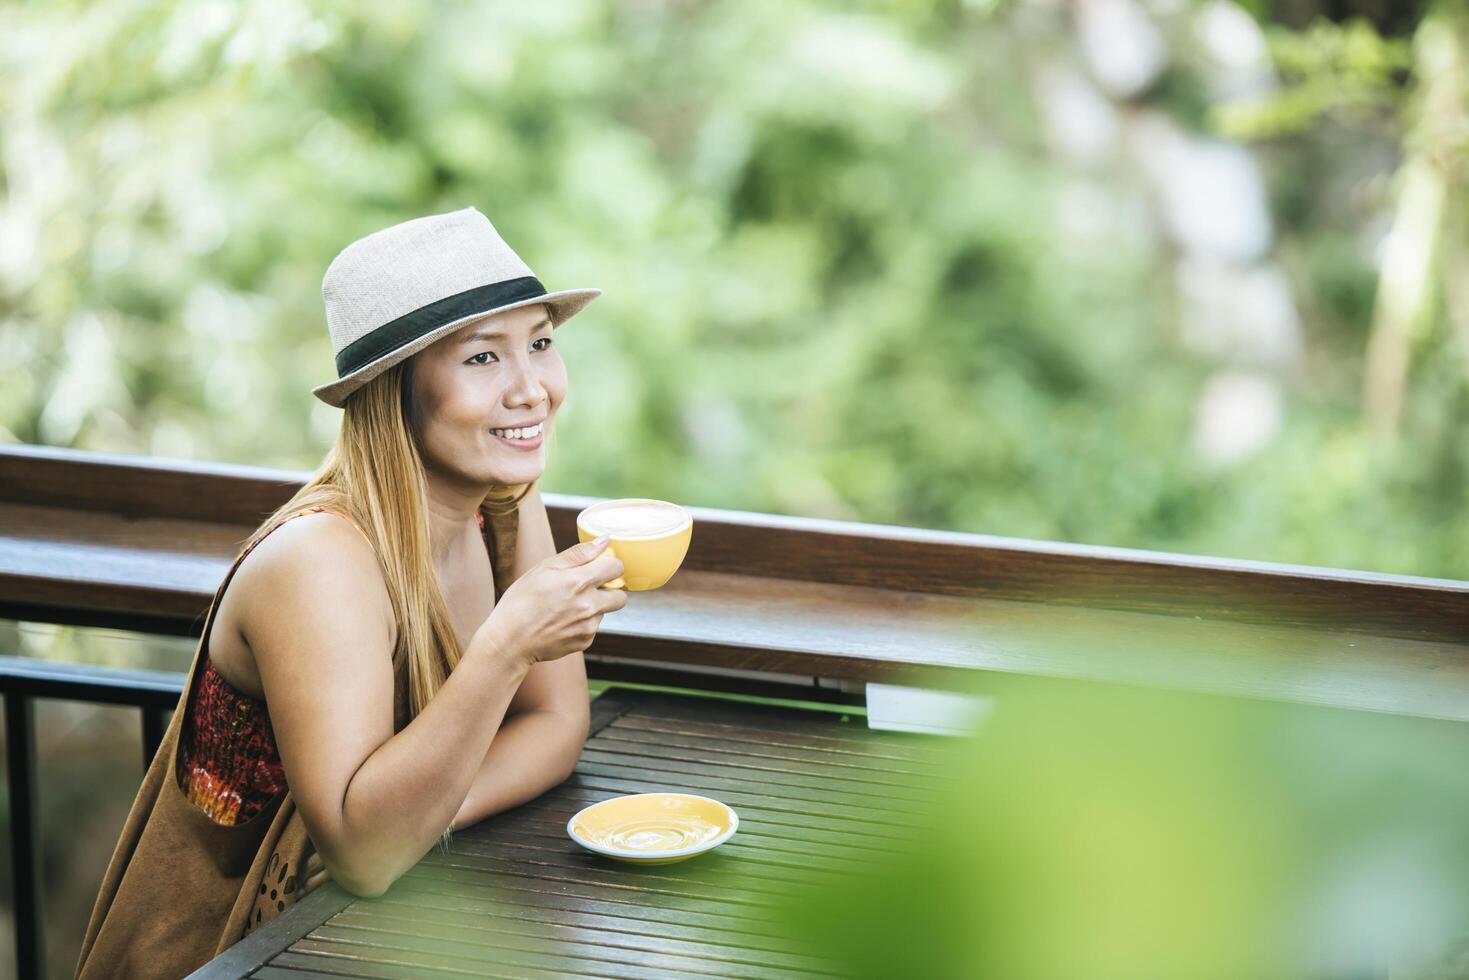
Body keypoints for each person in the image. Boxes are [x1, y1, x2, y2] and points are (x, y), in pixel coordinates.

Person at [75, 207, 627, 979]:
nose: (532, 389)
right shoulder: (321, 560)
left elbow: (559, 724)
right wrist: (506, 645)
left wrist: (421, 818)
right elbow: (366, 857)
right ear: (393, 389)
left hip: (371, 936)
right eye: (482, 358)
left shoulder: (503, 503)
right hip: (237, 954)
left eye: (539, 342)